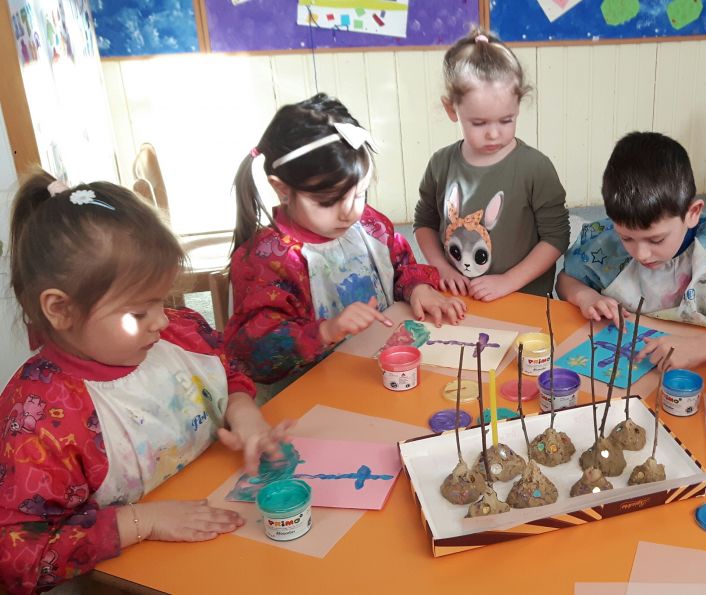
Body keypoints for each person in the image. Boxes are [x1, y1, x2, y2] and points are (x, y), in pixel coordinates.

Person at [0, 172, 289, 593]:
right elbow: (18, 557)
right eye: (138, 312)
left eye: (162, 300)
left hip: (227, 541)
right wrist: (143, 521)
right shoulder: (39, 419)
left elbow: (225, 374)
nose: (162, 321)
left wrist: (244, 414)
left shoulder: (180, 334)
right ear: (60, 309)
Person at [227, 94, 465, 386]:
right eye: (328, 201)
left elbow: (401, 266)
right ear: (282, 189)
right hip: (311, 392)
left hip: (377, 374)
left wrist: (418, 288)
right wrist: (327, 331)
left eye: (360, 193)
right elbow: (256, 355)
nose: (349, 212)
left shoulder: (369, 225)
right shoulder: (268, 260)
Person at [556, 132, 706, 370]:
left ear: (692, 213)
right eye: (626, 237)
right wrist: (586, 296)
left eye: (656, 240)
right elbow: (566, 280)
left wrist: (698, 349)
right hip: (631, 362)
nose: (641, 254)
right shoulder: (606, 242)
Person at [414, 29, 570, 300]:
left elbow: (556, 238)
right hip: (459, 297)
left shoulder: (535, 168)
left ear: (518, 105)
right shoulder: (441, 163)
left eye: (506, 120)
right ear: (452, 109)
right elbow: (424, 222)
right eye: (479, 123)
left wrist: (508, 282)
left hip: (523, 298)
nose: (494, 134)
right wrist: (441, 267)